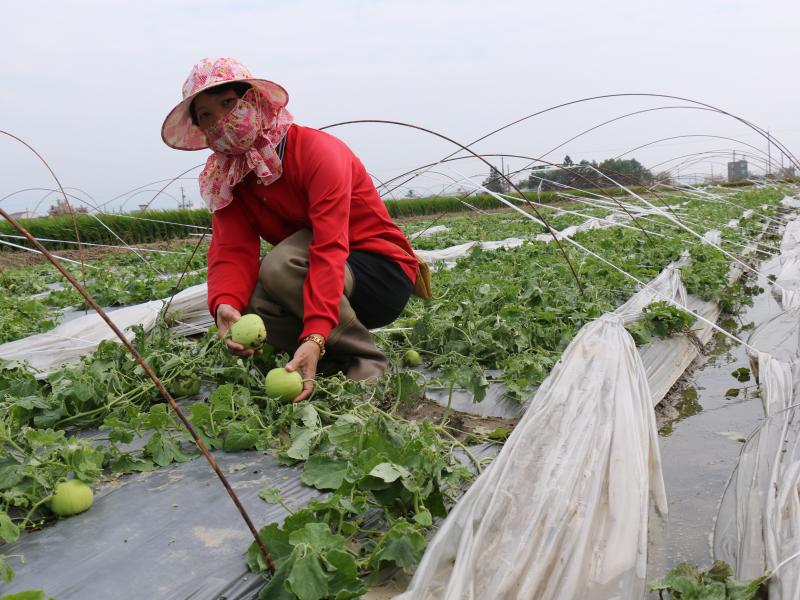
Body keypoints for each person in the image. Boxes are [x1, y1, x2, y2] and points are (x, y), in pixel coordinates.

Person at [161, 57, 419, 403]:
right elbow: (231, 248)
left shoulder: (316, 152)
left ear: (253, 100)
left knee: (280, 265)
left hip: (381, 273)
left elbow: (328, 248)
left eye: (227, 104)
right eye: (206, 115)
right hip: (324, 281)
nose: (221, 120)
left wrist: (314, 334)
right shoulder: (231, 177)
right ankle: (326, 364)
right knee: (251, 301)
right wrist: (224, 304)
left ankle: (366, 360)